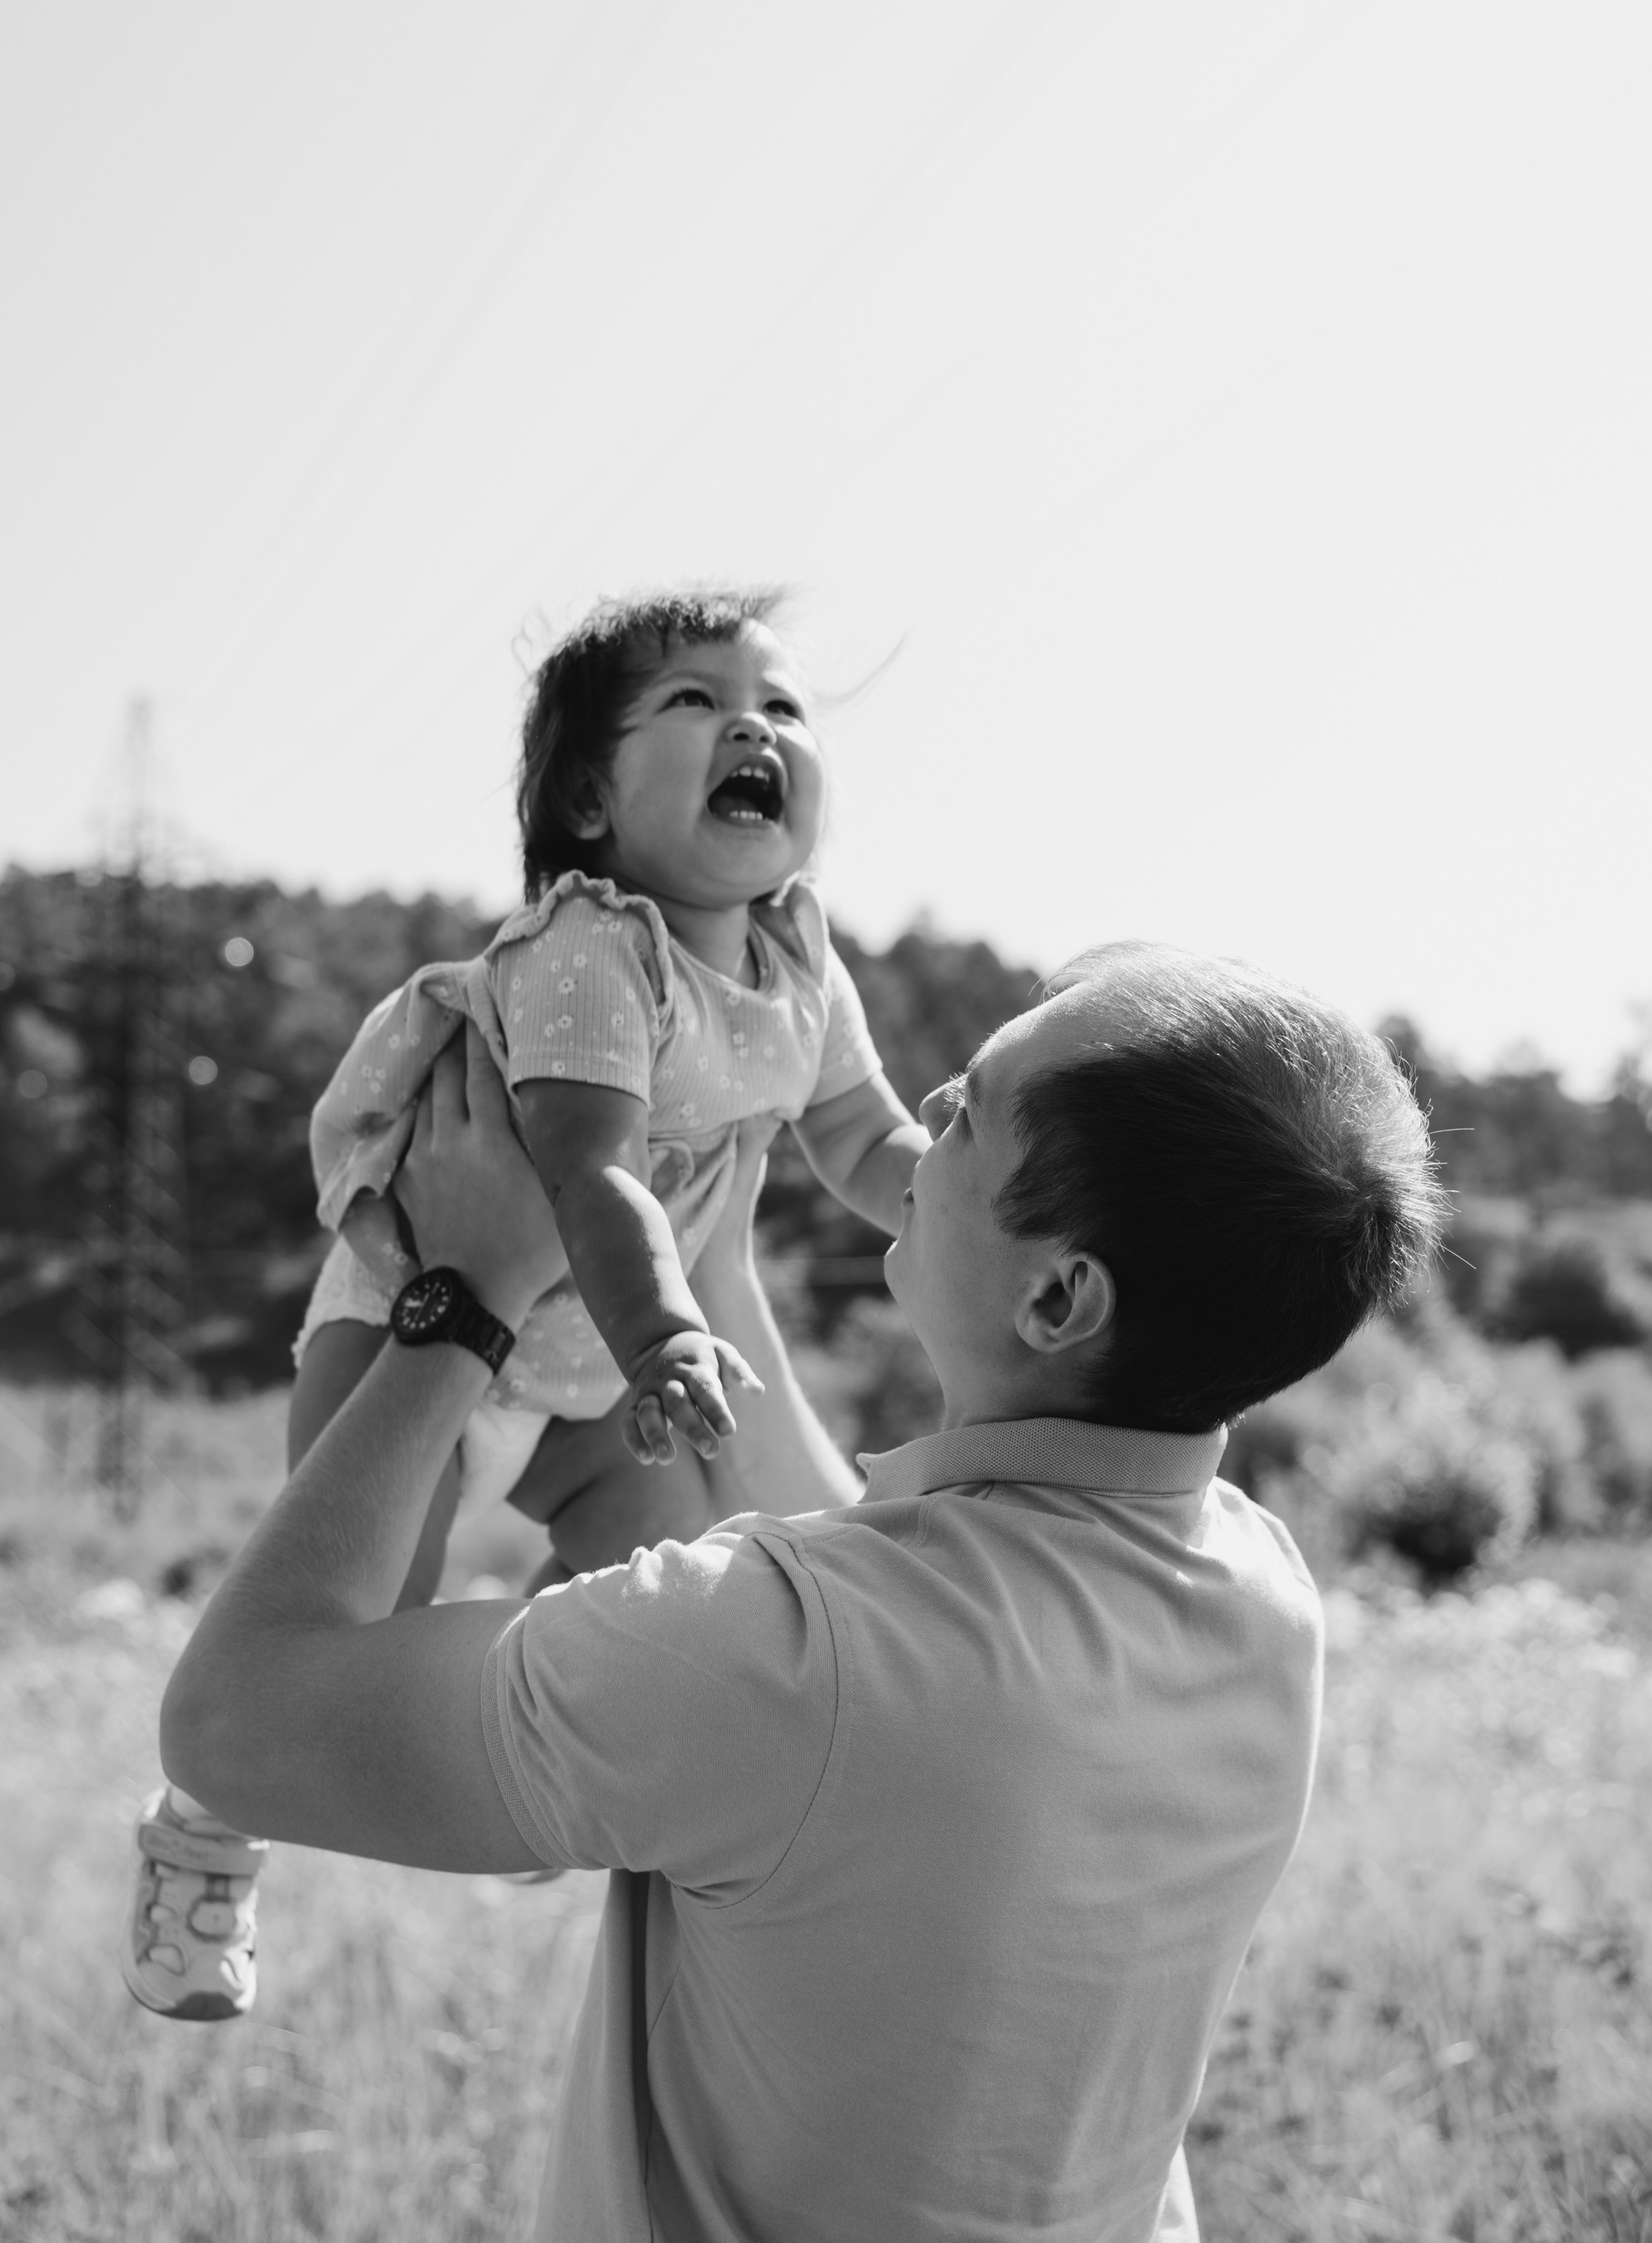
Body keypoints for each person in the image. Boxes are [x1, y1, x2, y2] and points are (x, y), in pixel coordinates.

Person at [158, 939, 1444, 2241]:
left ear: (1057, 1295)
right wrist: (704, 1257)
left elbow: (235, 1725)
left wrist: (469, 1295)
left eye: (968, 1111)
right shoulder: (1258, 1594)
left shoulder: (774, 1655)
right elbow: (889, 1617)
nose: (922, 1110)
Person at [122, 585, 925, 2022]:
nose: (752, 724)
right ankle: (203, 1826)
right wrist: (674, 1330)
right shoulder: (590, 952)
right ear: (584, 798)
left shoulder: (802, 961)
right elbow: (586, 1171)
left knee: (656, 1570)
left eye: (781, 707)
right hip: (424, 1323)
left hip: (597, 1372)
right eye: (691, 701)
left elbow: (861, 1136)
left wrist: (953, 1210)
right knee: (354, 1615)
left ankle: (542, 1746)